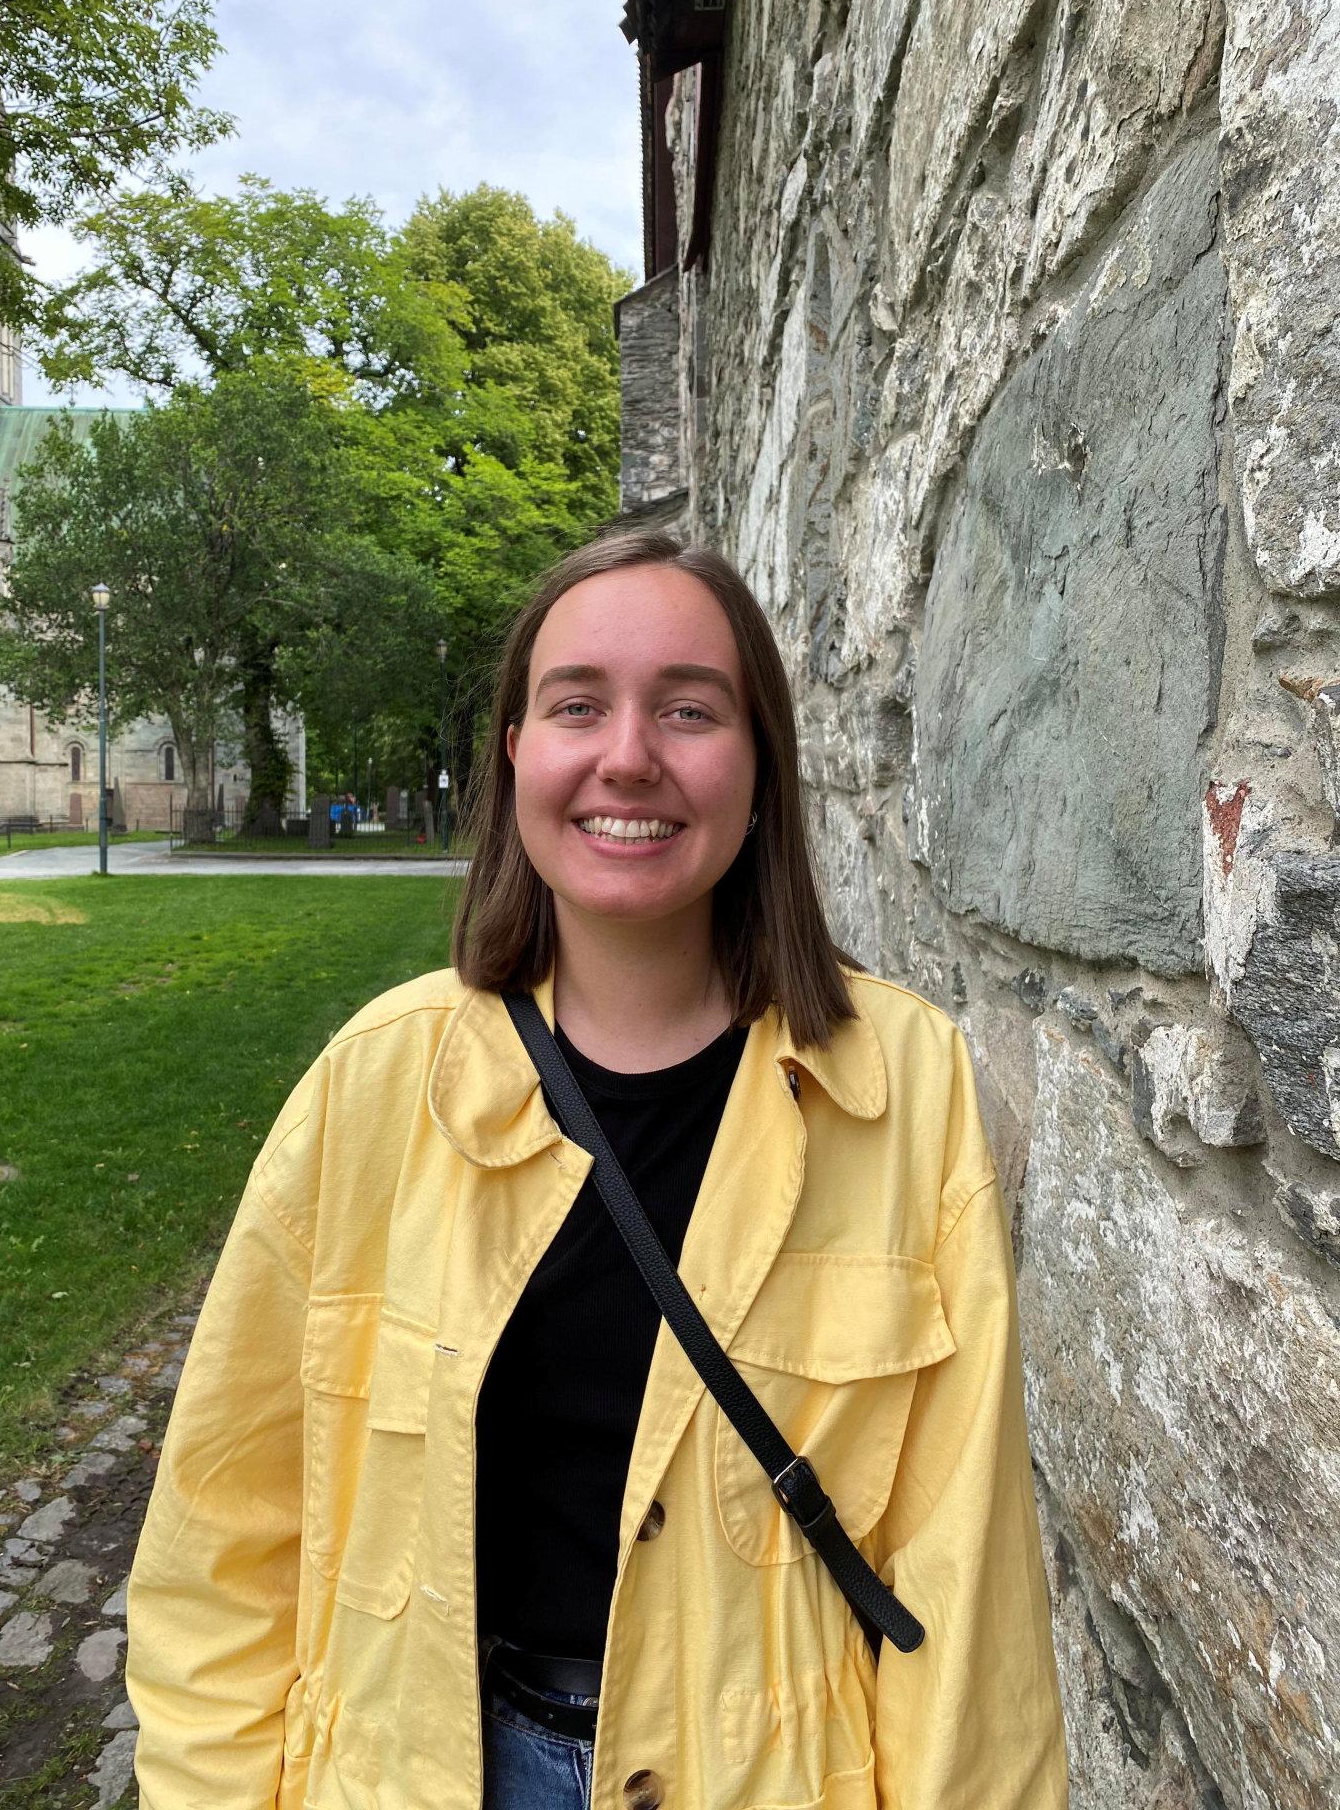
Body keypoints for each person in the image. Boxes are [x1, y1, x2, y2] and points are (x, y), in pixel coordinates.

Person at [126, 525, 1069, 1810]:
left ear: (759, 762)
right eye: (579, 705)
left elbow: (966, 1586)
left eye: (691, 708)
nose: (629, 754)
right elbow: (222, 1541)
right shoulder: (373, 1084)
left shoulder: (906, 1087)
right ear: (518, 749)